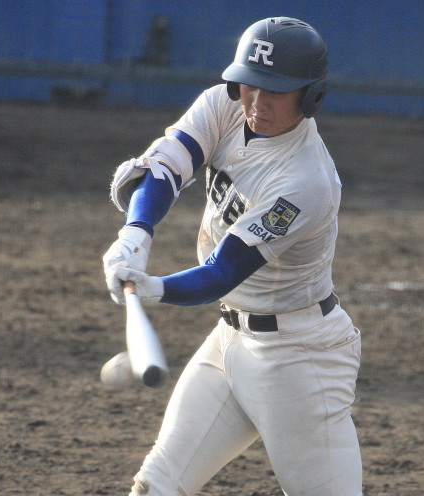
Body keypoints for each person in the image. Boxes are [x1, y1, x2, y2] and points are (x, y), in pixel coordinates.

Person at [103, 16, 363, 496]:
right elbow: (164, 167)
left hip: (298, 359)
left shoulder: (304, 180)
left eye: (276, 91)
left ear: (311, 96)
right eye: (250, 84)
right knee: (156, 486)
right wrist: (135, 234)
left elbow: (222, 272)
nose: (257, 102)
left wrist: (152, 288)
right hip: (230, 340)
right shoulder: (225, 106)